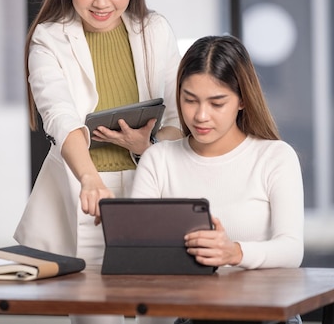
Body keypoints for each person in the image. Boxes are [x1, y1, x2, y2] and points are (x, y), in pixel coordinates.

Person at [13, 0, 182, 324]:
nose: (102, 2)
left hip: (150, 190)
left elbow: (176, 115)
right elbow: (60, 116)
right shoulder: (49, 39)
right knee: (95, 317)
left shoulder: (153, 30)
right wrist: (91, 178)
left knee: (160, 313)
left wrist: (150, 148)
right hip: (88, 197)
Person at [130, 35, 304, 324]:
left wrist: (233, 252)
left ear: (242, 101)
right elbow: (138, 252)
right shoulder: (158, 159)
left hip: (259, 314)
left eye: (216, 103)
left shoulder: (275, 157)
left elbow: (291, 249)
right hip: (180, 314)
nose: (200, 116)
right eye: (190, 100)